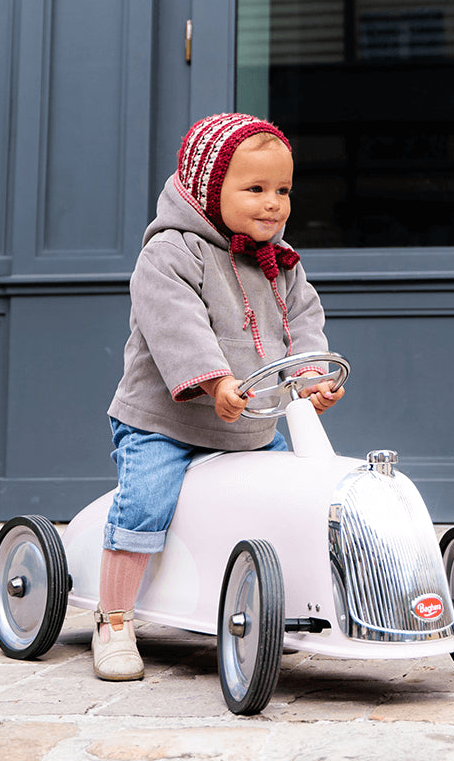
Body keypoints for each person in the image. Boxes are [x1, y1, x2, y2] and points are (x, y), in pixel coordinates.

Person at [93, 113, 344, 681]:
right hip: (165, 423)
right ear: (209, 189)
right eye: (254, 189)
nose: (272, 204)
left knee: (292, 499)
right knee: (146, 503)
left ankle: (268, 607)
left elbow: (302, 325)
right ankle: (113, 620)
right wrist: (213, 380)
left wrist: (309, 381)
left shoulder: (281, 263)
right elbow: (177, 327)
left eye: (282, 191)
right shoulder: (170, 253)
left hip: (248, 425)